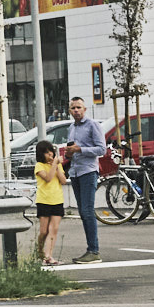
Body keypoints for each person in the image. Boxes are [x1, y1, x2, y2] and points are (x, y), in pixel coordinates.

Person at [61, 96, 107, 264]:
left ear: (85, 109)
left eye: (79, 107)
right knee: (82, 211)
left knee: (87, 210)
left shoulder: (93, 125)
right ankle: (91, 249)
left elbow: (102, 149)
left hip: (88, 171)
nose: (76, 110)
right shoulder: (71, 127)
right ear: (69, 111)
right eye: (73, 108)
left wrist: (80, 149)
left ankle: (94, 251)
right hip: (75, 172)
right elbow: (70, 149)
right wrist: (69, 153)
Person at [33, 138, 66, 265]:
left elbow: (63, 181)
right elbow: (48, 178)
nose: (50, 154)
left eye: (51, 152)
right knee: (43, 231)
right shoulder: (39, 166)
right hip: (44, 200)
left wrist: (57, 166)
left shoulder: (57, 165)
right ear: (41, 154)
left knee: (54, 229)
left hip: (57, 200)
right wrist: (54, 165)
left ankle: (48, 256)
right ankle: (40, 250)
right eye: (46, 153)